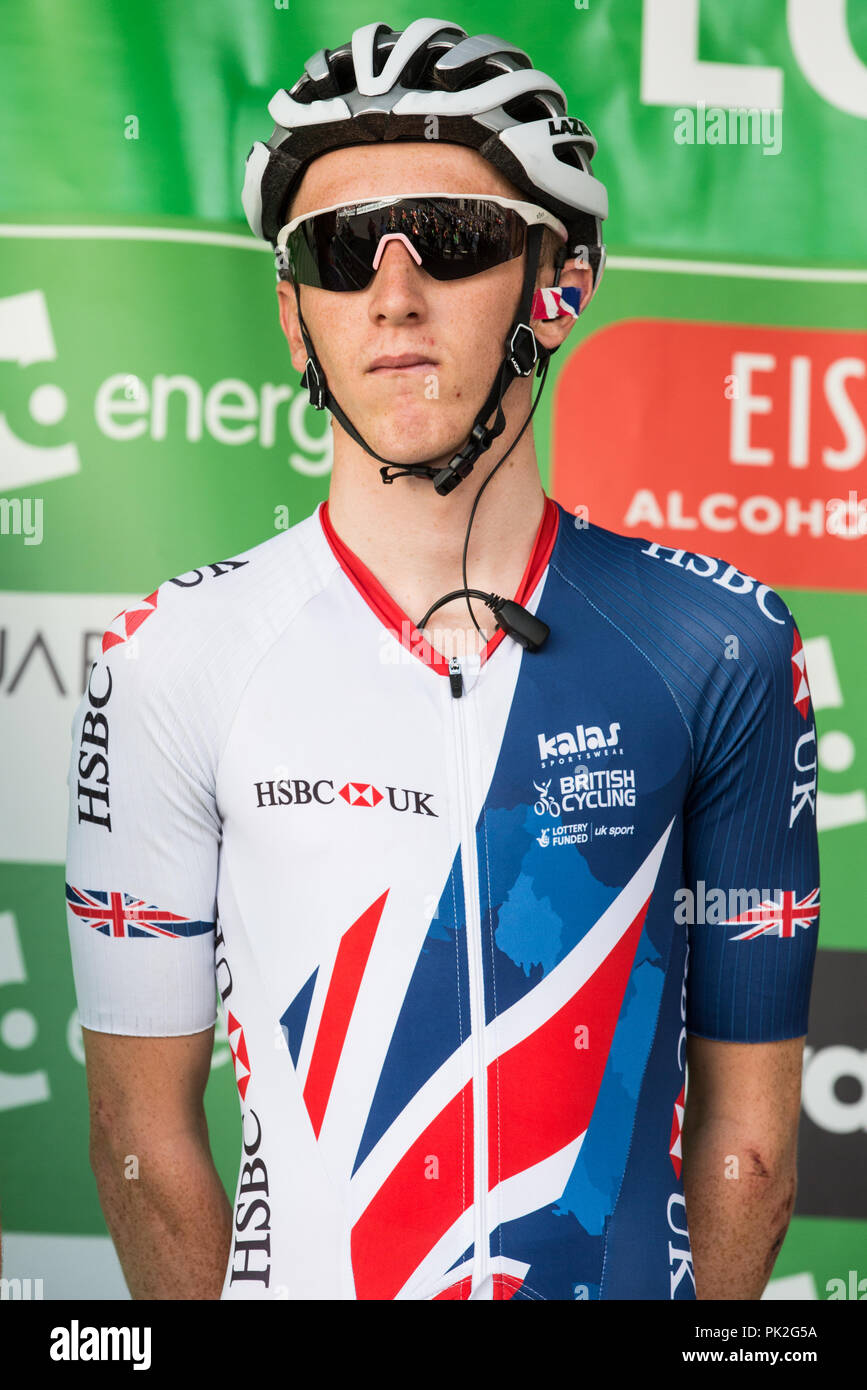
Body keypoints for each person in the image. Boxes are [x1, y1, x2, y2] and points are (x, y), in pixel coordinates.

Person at [65, 18, 819, 1301]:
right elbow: (141, 1134)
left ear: (559, 284)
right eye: (343, 253)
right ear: (297, 320)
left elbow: (753, 1157)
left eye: (454, 241)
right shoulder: (167, 659)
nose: (394, 295)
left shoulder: (727, 640)